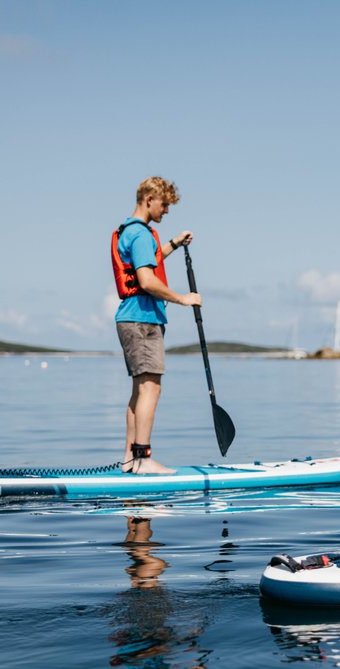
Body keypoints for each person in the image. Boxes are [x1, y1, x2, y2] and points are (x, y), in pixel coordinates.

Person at [112, 176, 202, 474]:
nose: (166, 211)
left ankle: (130, 458)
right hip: (142, 319)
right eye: (164, 204)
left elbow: (150, 260)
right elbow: (147, 280)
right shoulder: (139, 234)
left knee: (140, 389)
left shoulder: (131, 231)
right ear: (149, 198)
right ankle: (143, 458)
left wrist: (174, 243)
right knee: (151, 388)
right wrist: (183, 299)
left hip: (132, 317)